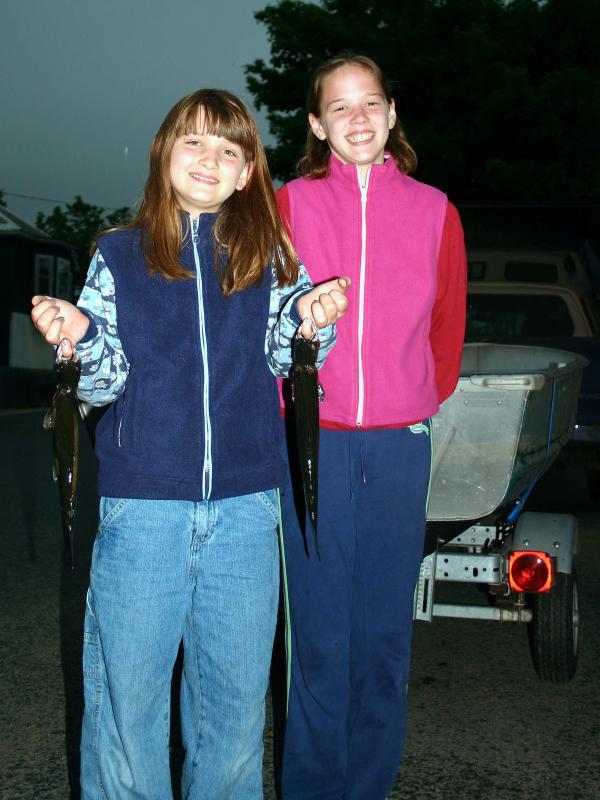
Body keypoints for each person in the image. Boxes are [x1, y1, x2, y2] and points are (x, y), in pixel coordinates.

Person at [31, 88, 349, 800]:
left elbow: (282, 353)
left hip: (245, 510)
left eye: (228, 150)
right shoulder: (116, 255)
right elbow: (102, 377)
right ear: (164, 154)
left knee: (234, 718)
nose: (210, 159)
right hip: (142, 510)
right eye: (194, 142)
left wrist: (313, 321)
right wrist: (77, 335)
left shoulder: (265, 255)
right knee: (126, 710)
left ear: (246, 175)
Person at [276, 54, 467, 799]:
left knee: (384, 642)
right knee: (318, 644)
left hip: (397, 449)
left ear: (392, 115)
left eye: (372, 103)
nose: (358, 118)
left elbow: (447, 327)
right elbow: (262, 313)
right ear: (319, 126)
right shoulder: (288, 202)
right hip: (310, 444)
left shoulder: (435, 209)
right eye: (340, 107)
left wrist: (410, 403)